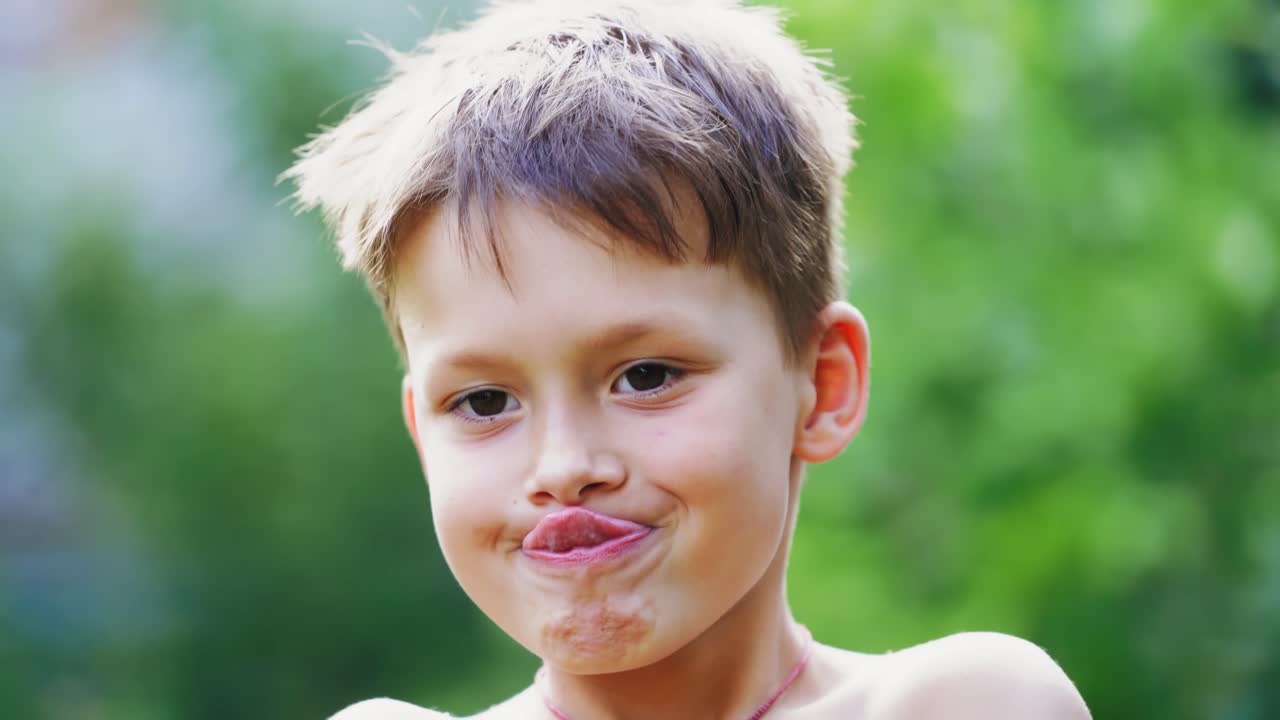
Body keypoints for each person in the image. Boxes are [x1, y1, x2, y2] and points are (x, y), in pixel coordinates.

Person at [284, 1, 1092, 718]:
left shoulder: (966, 706)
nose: (565, 468)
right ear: (423, 437)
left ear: (823, 384)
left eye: (645, 377)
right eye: (485, 402)